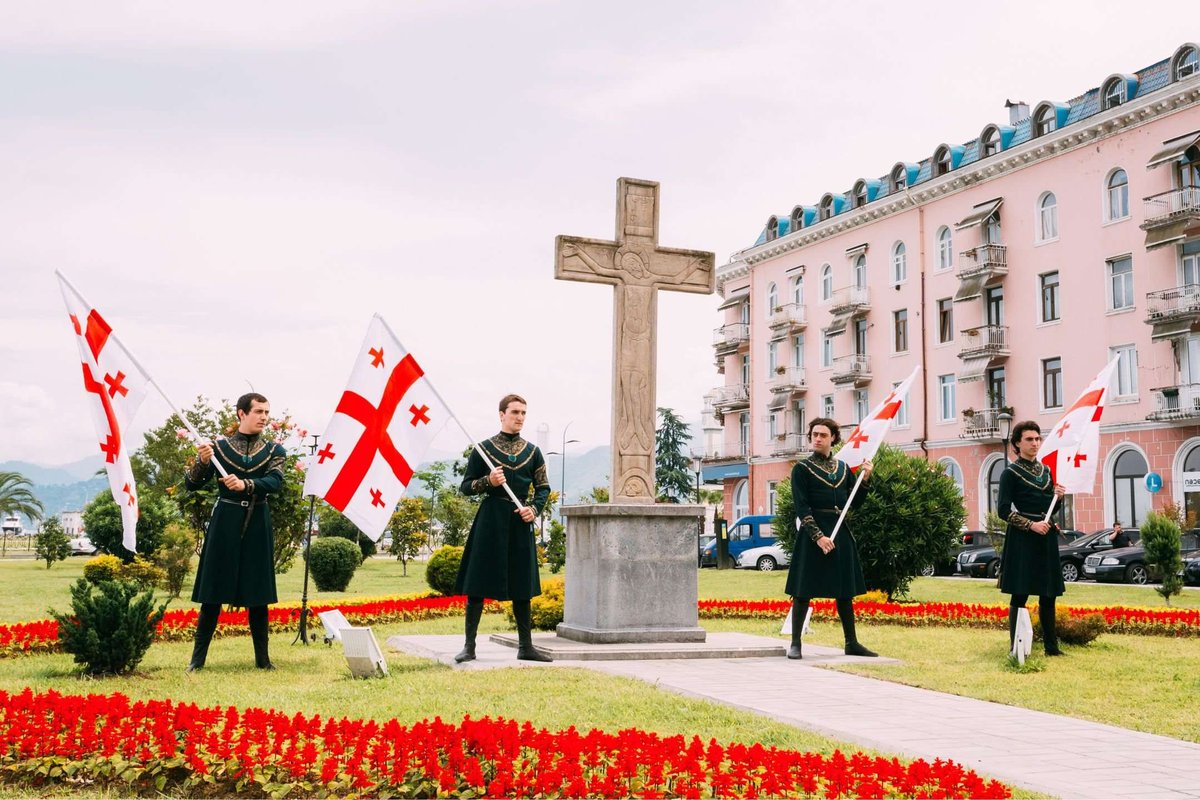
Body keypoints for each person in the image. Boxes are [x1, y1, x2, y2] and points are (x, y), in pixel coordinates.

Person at [184, 392, 287, 671]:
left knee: (258, 592)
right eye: (258, 412)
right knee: (213, 591)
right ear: (241, 413)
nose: (264, 417)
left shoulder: (274, 451)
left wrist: (247, 485)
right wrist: (203, 462)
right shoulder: (217, 448)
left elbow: (275, 482)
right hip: (225, 520)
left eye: (267, 412)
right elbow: (192, 484)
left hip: (257, 520)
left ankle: (263, 661)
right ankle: (197, 661)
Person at [453, 394, 552, 663]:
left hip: (519, 521)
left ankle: (526, 647)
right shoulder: (482, 449)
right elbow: (465, 487)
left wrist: (534, 509)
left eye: (523, 413)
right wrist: (488, 480)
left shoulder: (533, 452)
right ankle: (469, 647)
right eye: (515, 412)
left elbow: (544, 487)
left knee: (522, 582)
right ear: (501, 414)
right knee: (478, 582)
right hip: (490, 520)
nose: (520, 417)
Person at [784, 417, 876, 660]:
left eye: (823, 435)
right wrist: (818, 537)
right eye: (814, 434)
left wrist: (865, 480)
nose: (817, 438)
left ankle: (851, 642)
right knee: (803, 590)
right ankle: (795, 643)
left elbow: (852, 504)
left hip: (839, 531)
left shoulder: (844, 469)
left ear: (833, 438)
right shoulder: (801, 469)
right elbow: (802, 508)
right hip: (813, 534)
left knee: (844, 590)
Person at [998, 420, 1067, 657]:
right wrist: (1030, 525)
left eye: (1037, 438)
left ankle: (1051, 647)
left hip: (1045, 537)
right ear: (1018, 443)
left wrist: (1058, 498)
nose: (1035, 443)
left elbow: (1050, 509)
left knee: (1048, 593)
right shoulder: (1010, 473)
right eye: (1029, 439)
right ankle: (1016, 646)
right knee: (1021, 593)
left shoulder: (1046, 471)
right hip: (1022, 539)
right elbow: (1003, 511)